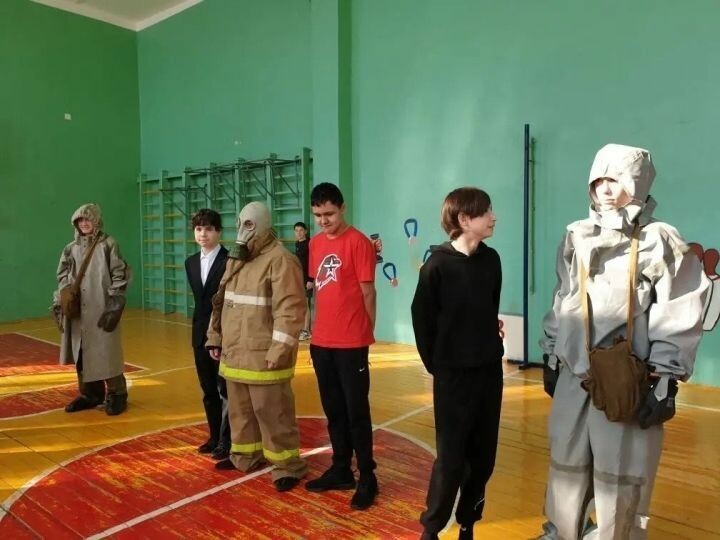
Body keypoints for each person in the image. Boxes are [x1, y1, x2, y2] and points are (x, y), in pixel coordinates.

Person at [538, 144, 709, 539]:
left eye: (615, 180)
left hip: (627, 379)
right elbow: (563, 297)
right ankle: (561, 532)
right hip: (574, 374)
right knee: (566, 463)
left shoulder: (660, 240)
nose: (605, 189)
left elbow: (679, 308)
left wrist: (665, 379)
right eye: (599, 180)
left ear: (638, 184)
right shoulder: (576, 236)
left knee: (622, 474)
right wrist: (551, 352)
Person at [411, 187, 503, 540]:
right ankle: (432, 528)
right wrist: (441, 367)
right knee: (450, 459)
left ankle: (468, 523)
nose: (493, 217)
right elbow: (422, 321)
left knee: (483, 458)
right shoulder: (436, 266)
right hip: (453, 378)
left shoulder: (492, 260)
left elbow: (490, 307)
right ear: (465, 219)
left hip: (489, 373)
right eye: (486, 212)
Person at [205, 201, 307, 492]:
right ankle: (245, 455)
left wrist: (279, 350)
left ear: (264, 225)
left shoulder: (281, 260)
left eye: (249, 224)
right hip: (234, 351)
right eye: (240, 223)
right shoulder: (237, 258)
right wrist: (215, 336)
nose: (243, 230)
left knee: (273, 412)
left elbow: (290, 310)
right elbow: (221, 300)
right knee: (240, 412)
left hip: (264, 356)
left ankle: (288, 465)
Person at [304, 182, 379, 510]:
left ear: (342, 208)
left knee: (356, 412)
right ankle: (341, 469)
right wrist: (313, 330)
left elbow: (368, 293)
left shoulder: (359, 243)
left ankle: (367, 476)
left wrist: (366, 333)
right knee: (333, 410)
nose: (324, 220)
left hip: (351, 343)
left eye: (329, 214)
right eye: (318, 215)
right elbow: (320, 290)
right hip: (322, 342)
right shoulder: (315, 244)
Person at [52, 203, 131, 416]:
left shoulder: (108, 244)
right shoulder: (71, 248)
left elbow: (119, 272)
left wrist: (114, 301)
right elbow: (62, 273)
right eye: (80, 220)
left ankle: (117, 394)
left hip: (101, 307)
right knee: (81, 353)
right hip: (78, 311)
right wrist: (65, 294)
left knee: (106, 351)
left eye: (88, 219)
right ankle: (90, 394)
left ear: (96, 221)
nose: (84, 223)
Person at [185, 209, 231, 460]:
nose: (203, 234)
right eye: (199, 229)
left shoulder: (229, 260)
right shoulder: (190, 262)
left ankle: (227, 440)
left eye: (209, 229)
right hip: (199, 335)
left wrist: (220, 335)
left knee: (226, 391)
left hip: (223, 334)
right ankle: (214, 436)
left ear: (219, 232)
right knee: (208, 390)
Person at [294, 221, 313, 340]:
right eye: (296, 231)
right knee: (300, 304)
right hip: (298, 278)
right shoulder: (297, 244)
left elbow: (312, 261)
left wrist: (311, 279)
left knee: (305, 304)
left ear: (305, 231)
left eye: (301, 230)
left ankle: (306, 331)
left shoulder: (309, 244)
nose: (299, 233)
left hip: (307, 279)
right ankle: (302, 329)